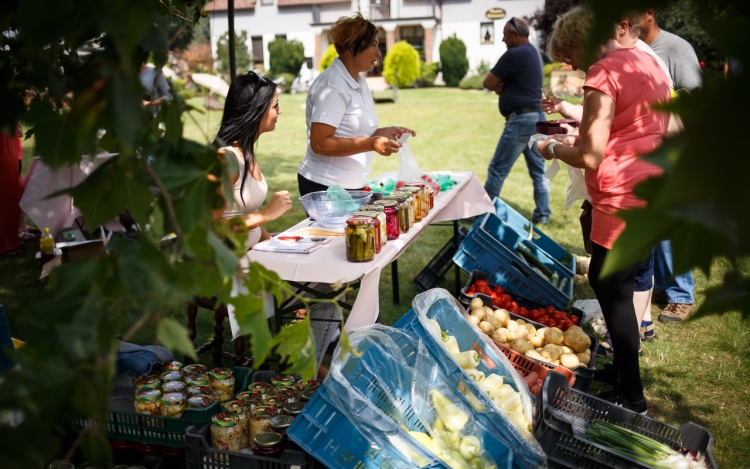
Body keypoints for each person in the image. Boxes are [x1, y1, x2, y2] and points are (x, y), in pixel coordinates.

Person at [538, 6, 671, 414]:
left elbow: (592, 154)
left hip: (622, 193)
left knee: (611, 287)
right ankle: (623, 372)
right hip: (652, 187)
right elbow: (632, 127)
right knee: (611, 280)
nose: (571, 65)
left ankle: (632, 396)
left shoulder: (605, 71)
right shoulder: (646, 63)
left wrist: (551, 148)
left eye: (570, 55)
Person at [297, 13, 416, 197]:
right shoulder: (333, 85)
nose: (379, 53)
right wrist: (371, 143)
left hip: (351, 185)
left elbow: (352, 133)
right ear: (353, 47)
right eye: (373, 45)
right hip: (325, 186)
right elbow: (320, 144)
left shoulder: (358, 80)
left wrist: (385, 133)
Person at [638, 8, 701, 323]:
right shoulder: (634, 49)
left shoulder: (675, 49)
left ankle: (681, 295)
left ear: (649, 14)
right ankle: (663, 286)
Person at [481, 17, 550, 224]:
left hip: (521, 121)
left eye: (505, 34)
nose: (502, 39)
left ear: (516, 34)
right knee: (539, 172)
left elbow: (487, 82)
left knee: (497, 170)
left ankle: (483, 214)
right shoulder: (534, 53)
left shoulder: (514, 54)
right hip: (538, 118)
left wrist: (500, 85)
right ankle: (543, 215)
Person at [213, 71, 292, 249]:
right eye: (275, 105)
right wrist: (266, 214)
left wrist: (272, 243)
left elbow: (248, 217)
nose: (280, 111)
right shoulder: (226, 159)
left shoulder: (245, 152)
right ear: (257, 110)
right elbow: (211, 228)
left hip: (251, 253)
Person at [1, 125, 23, 256]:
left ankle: (12, 239)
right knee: (5, 195)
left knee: (13, 194)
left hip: (9, 141)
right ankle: (3, 245)